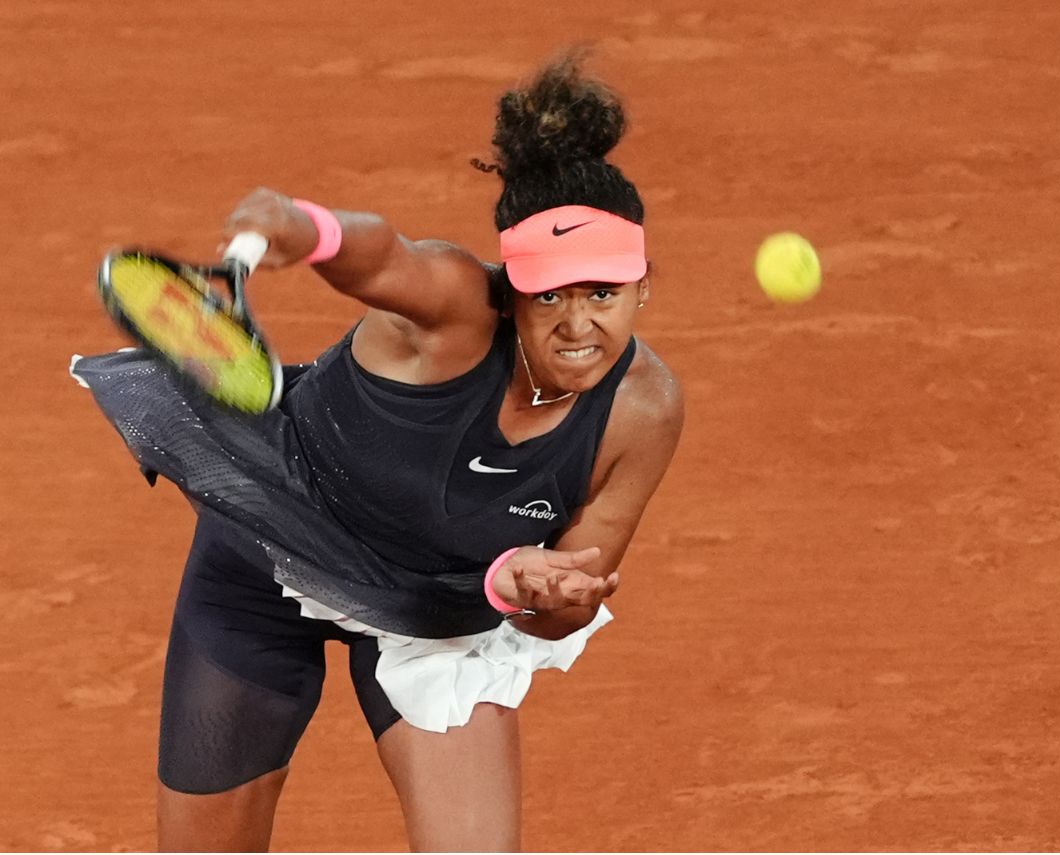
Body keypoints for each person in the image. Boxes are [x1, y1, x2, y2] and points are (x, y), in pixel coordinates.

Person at [71, 53, 683, 852]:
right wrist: (311, 229)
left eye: (603, 293)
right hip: (269, 560)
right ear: (512, 285)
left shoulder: (643, 409)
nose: (577, 323)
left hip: (436, 615)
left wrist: (538, 587)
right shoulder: (455, 309)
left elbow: (559, 609)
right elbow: (386, 256)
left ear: (643, 288)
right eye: (550, 294)